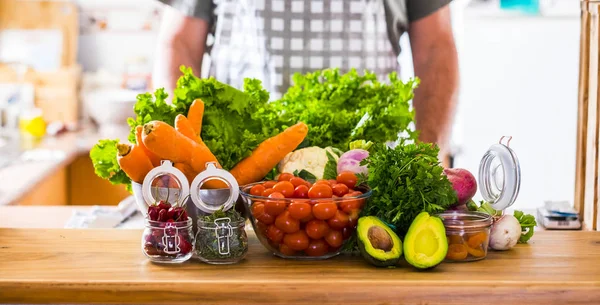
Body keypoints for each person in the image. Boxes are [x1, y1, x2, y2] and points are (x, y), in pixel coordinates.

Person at [153, 0, 458, 157]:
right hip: (238, 173)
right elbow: (180, 43)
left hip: (367, 173)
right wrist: (183, 154)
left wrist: (427, 156)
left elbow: (435, 48)